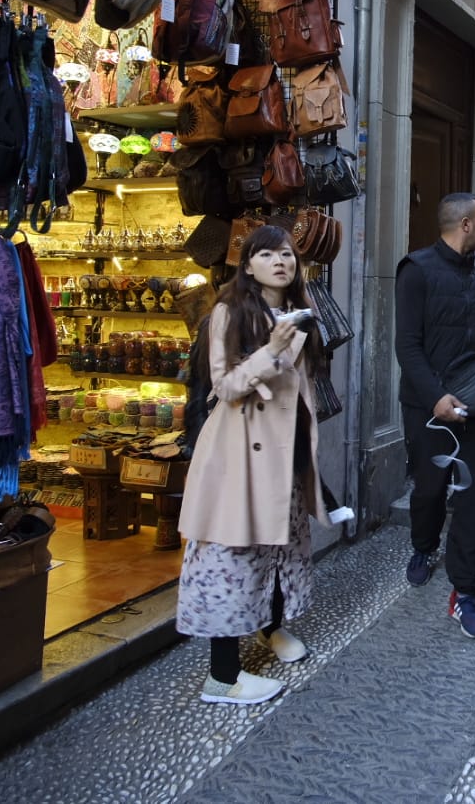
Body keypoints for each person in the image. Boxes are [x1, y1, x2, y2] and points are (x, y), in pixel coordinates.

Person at [177, 225, 331, 705]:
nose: (280, 261)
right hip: (239, 456)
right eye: (266, 254)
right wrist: (271, 350)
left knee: (279, 545)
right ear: (247, 266)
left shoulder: (298, 314)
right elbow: (223, 387)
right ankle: (222, 676)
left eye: (286, 253)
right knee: (232, 555)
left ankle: (269, 628)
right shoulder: (228, 311)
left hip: (284, 457)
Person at [396, 192, 475, 639]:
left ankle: (464, 592)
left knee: (470, 496)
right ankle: (423, 546)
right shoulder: (416, 271)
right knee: (429, 490)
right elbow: (407, 345)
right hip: (429, 407)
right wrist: (435, 398)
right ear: (465, 224)